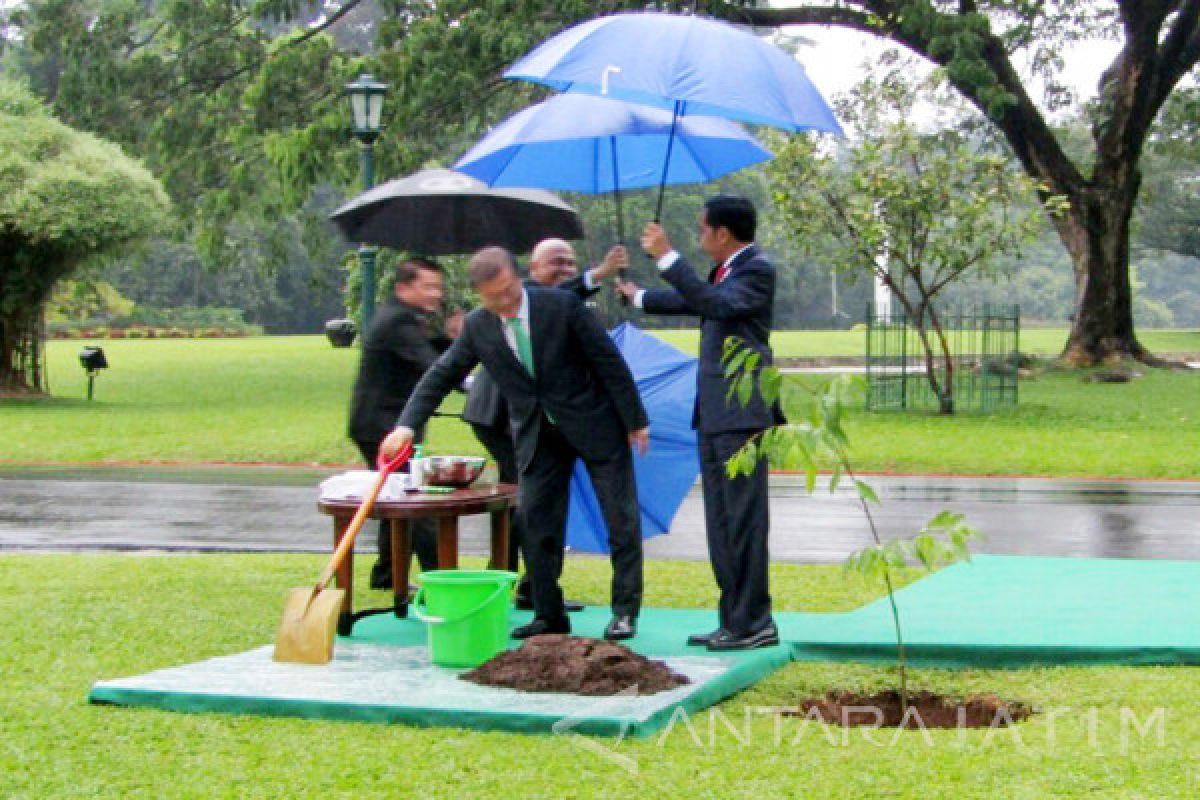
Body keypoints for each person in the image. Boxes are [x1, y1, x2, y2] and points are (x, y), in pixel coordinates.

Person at [382, 247, 649, 641]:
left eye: (509, 291)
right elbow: (440, 375)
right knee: (533, 521)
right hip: (537, 434)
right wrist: (406, 425)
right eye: (493, 298)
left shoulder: (561, 306)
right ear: (479, 295)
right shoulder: (478, 326)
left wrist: (634, 421)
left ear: (517, 277)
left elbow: (608, 361)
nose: (505, 303)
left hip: (595, 423)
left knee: (620, 518)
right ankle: (548, 614)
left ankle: (625, 611)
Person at [616, 195, 784, 651]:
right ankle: (733, 619)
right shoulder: (727, 271)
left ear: (722, 234)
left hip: (742, 414)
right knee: (721, 520)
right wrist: (642, 297)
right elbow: (700, 300)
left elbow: (716, 303)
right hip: (714, 413)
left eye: (702, 229)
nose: (699, 236)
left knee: (744, 520)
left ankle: (755, 622)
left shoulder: (757, 269)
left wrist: (667, 256)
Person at [461, 238, 627, 610]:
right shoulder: (524, 296)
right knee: (531, 503)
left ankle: (534, 586)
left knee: (538, 504)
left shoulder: (550, 304)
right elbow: (563, 293)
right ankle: (522, 585)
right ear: (531, 271)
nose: (565, 270)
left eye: (570, 263)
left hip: (541, 419)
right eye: (556, 263)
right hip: (501, 417)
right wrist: (597, 274)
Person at [348, 257, 462, 590]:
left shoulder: (407, 319)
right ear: (403, 288)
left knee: (394, 497)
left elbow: (426, 352)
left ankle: (387, 574)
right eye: (428, 286)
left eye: (438, 286)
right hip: (382, 427)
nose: (436, 294)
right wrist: (467, 377)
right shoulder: (397, 323)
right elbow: (432, 367)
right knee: (415, 503)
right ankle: (441, 581)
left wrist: (452, 338)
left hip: (382, 423)